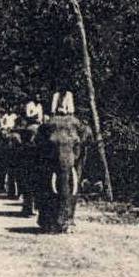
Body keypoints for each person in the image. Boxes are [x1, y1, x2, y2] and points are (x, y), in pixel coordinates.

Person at [34, 91, 92, 233]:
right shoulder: (49, 121)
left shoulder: (73, 114)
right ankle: (48, 219)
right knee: (47, 186)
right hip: (51, 158)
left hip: (71, 157)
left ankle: (67, 219)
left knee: (71, 187)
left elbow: (85, 137)